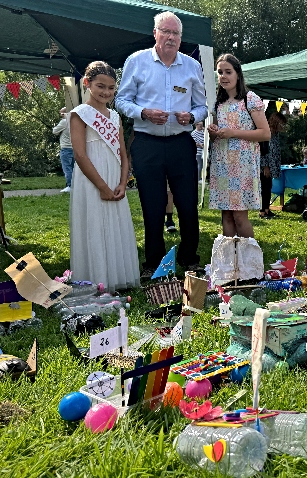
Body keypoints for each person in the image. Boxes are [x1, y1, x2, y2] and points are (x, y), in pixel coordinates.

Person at [116, 11, 207, 278]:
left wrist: (191, 116)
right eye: (165, 32)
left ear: (181, 38)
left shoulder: (192, 65)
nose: (170, 37)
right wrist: (144, 112)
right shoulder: (137, 61)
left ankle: (190, 259)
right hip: (147, 143)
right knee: (152, 204)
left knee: (188, 203)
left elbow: (202, 106)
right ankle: (153, 263)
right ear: (155, 33)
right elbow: (121, 101)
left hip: (181, 142)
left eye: (175, 33)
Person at [68, 62, 139, 291]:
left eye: (111, 88)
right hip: (92, 178)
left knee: (115, 223)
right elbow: (79, 154)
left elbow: (123, 153)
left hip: (114, 174)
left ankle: (117, 274)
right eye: (100, 86)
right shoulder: (79, 114)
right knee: (95, 223)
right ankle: (97, 277)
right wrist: (101, 186)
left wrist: (122, 182)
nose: (106, 92)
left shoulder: (115, 116)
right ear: (87, 84)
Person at [207, 53, 270, 238]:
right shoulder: (218, 103)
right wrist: (213, 132)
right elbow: (218, 134)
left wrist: (233, 132)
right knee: (226, 215)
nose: (223, 76)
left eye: (228, 72)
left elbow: (265, 133)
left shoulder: (249, 99)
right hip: (222, 165)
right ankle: (229, 260)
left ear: (238, 74)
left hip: (242, 166)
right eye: (220, 72)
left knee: (239, 216)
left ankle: (248, 261)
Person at [260, 112, 287, 219]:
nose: (283, 126)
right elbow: (263, 150)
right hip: (265, 165)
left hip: (272, 164)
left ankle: (267, 209)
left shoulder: (276, 134)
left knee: (268, 187)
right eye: (282, 124)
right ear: (277, 122)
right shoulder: (267, 133)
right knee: (264, 187)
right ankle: (262, 211)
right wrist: (265, 166)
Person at [53, 107, 73, 193]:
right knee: (74, 169)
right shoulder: (75, 121)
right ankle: (76, 186)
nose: (61, 115)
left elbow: (54, 131)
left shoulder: (64, 122)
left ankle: (70, 186)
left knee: (67, 168)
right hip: (75, 148)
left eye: (62, 113)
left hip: (66, 148)